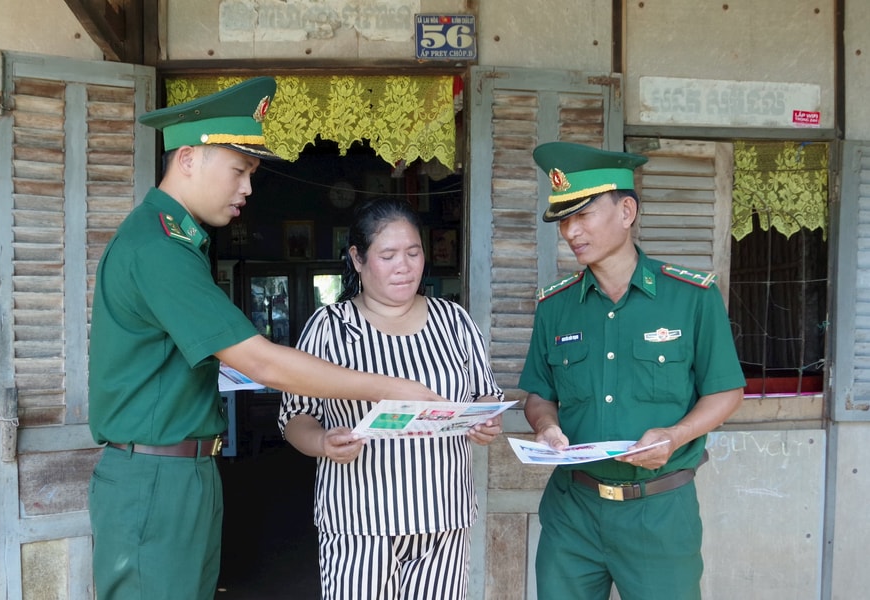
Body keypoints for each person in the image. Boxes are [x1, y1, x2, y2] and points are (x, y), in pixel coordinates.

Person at [87, 78, 444, 600]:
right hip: (155, 480)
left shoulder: (176, 242)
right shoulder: (158, 248)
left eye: (250, 174)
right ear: (188, 158)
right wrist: (394, 387)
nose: (248, 190)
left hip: (179, 471)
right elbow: (264, 363)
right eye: (239, 171)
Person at [519, 142, 745, 600]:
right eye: (564, 219)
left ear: (626, 211)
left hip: (659, 512)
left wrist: (675, 436)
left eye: (583, 215)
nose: (571, 231)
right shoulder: (555, 306)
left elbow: (726, 392)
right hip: (572, 513)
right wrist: (545, 426)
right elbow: (539, 394)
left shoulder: (691, 297)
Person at [279, 197, 505, 600]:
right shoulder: (331, 327)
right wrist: (321, 443)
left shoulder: (454, 322)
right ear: (358, 259)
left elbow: (483, 393)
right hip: (358, 522)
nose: (405, 265)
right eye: (388, 255)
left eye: (413, 252)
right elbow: (296, 415)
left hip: (444, 518)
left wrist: (485, 420)